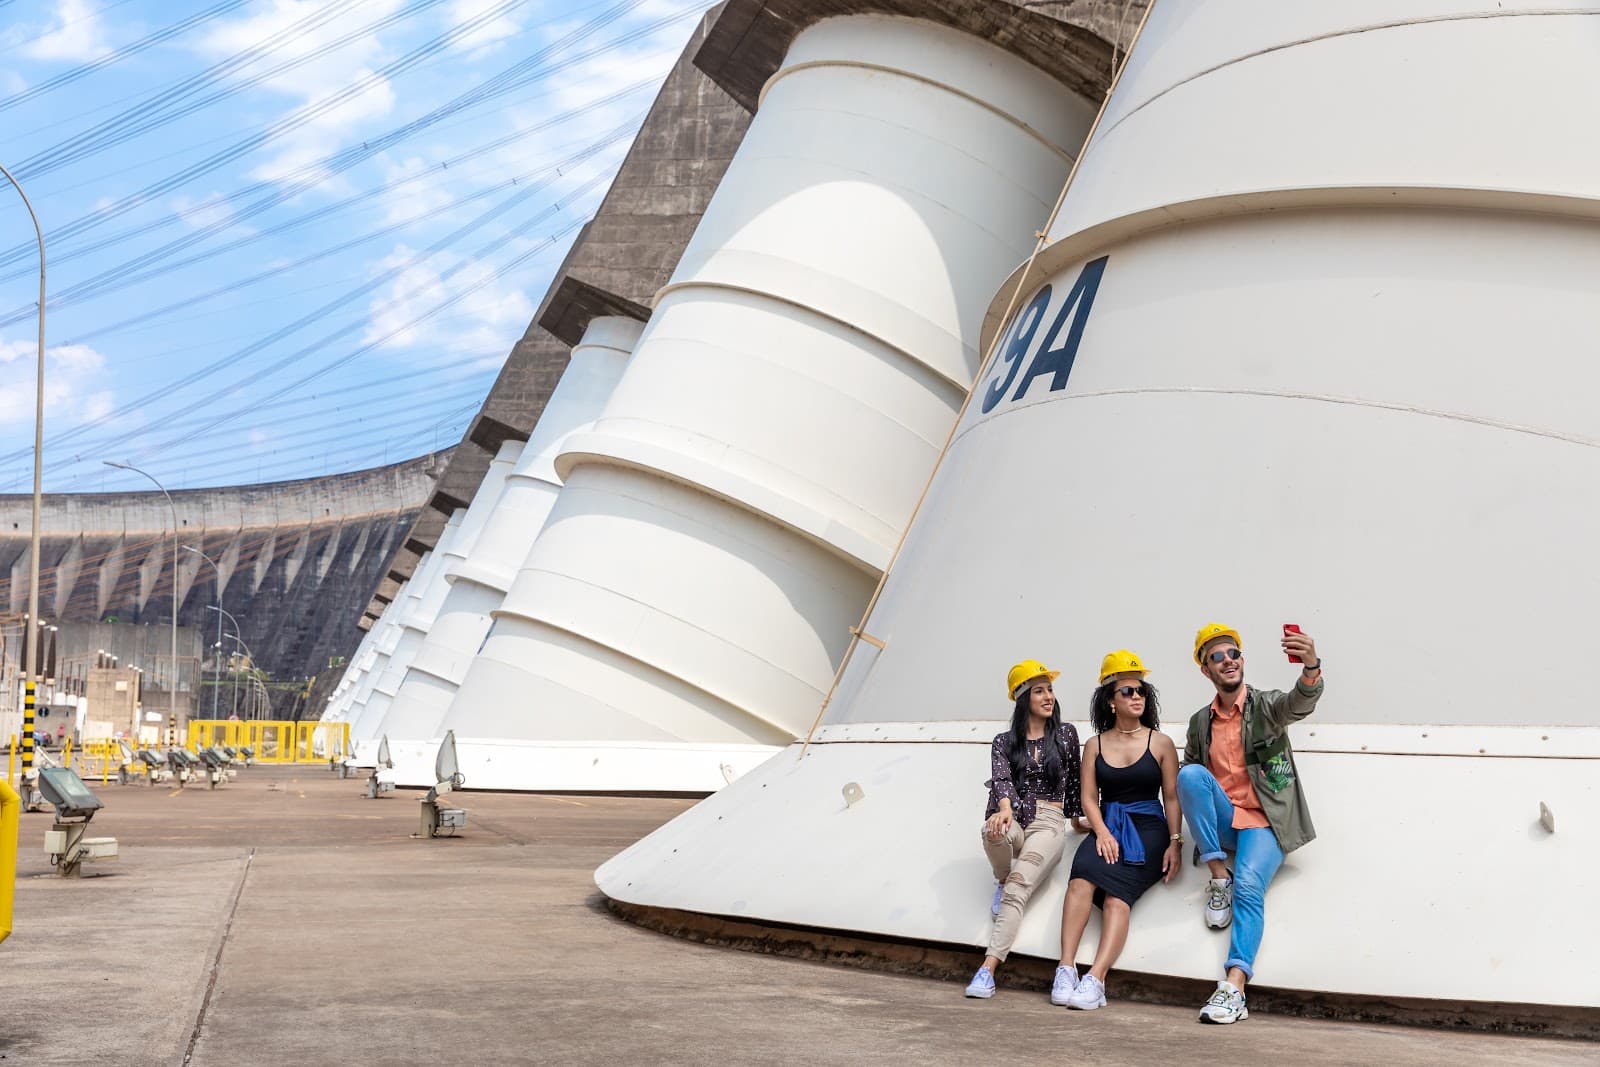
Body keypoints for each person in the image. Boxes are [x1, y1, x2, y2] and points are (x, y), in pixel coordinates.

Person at [1178, 622, 1323, 1024]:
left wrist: (1310, 666)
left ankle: (1235, 986)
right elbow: (1193, 783)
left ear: (1242, 660)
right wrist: (1179, 840)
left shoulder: (1267, 705)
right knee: (1188, 775)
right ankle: (1216, 874)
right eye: (1217, 657)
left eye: (1233, 654)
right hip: (1226, 824)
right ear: (1206, 670)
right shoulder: (1199, 722)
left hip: (1265, 822)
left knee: (1249, 885)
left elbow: (1301, 701)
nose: (1228, 661)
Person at [1053, 650, 1183, 1010]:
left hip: (1149, 829)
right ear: (1110, 701)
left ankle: (1096, 978)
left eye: (1141, 691)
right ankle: (1066, 968)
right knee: (1081, 880)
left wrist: (1175, 842)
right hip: (1107, 824)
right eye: (1127, 691)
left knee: (1116, 896)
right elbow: (1089, 799)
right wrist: (1103, 833)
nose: (1137, 697)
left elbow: (1171, 798)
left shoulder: (1161, 743)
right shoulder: (1094, 744)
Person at [964, 659, 1084, 999]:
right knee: (992, 832)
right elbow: (1002, 779)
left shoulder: (1065, 734)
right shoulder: (1004, 741)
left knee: (1018, 890)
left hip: (1048, 821)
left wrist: (1076, 820)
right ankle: (1000, 878)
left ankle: (987, 970)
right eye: (1039, 691)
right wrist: (1003, 810)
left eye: (1050, 689)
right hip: (1014, 815)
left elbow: (1073, 782)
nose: (1048, 697)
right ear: (1022, 699)